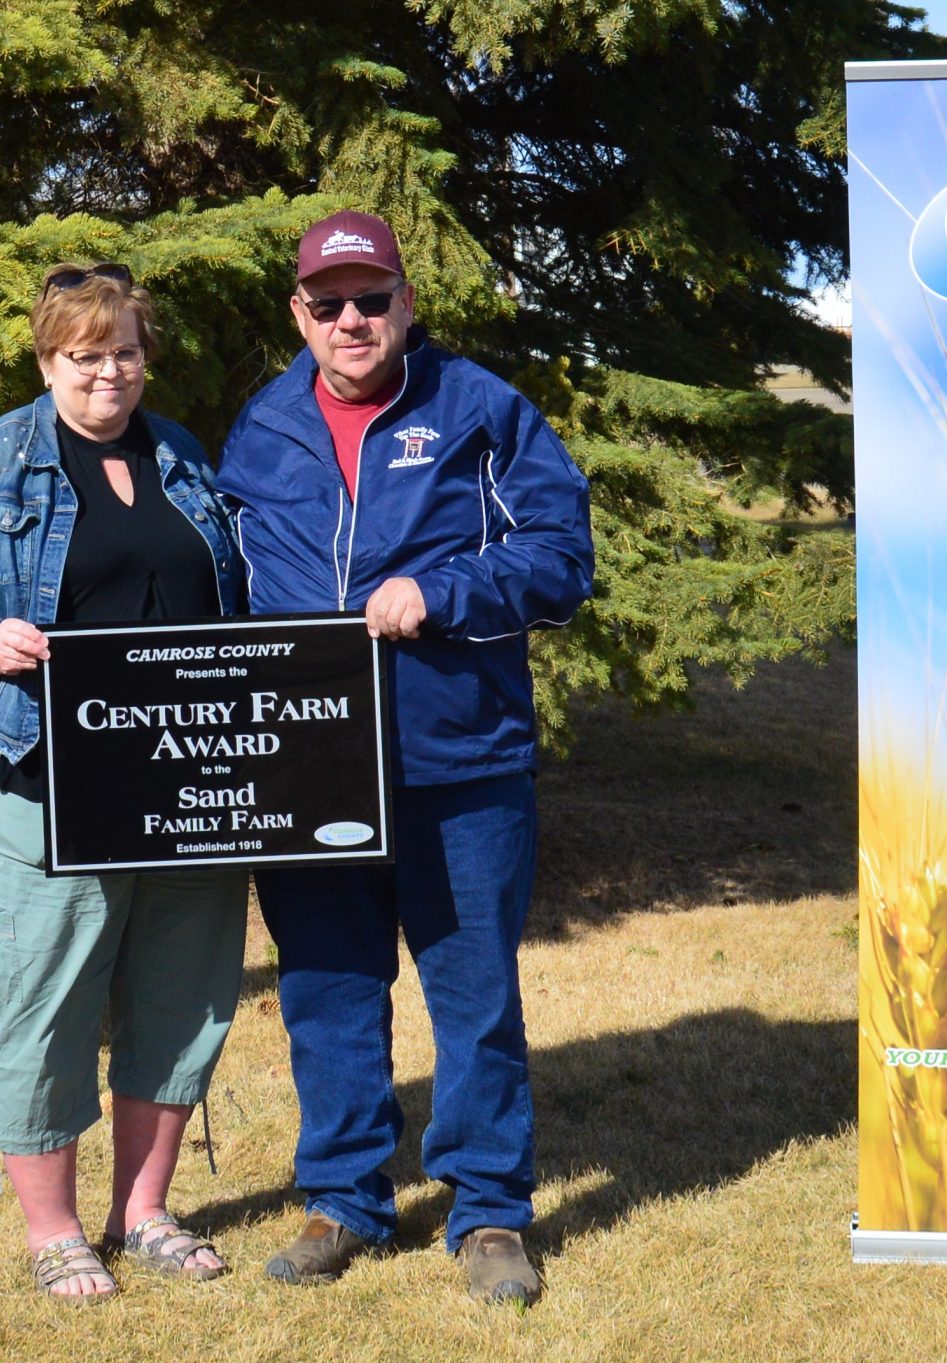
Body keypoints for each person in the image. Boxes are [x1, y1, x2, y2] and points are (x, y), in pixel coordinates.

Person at [215, 211, 594, 1305]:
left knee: (471, 993)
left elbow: (561, 557)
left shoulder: (478, 408)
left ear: (405, 303)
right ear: (298, 313)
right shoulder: (262, 427)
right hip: (307, 770)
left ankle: (486, 1213)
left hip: (458, 761)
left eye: (369, 299)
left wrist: (444, 592)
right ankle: (345, 1200)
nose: (350, 320)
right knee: (328, 989)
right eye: (327, 303)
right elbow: (226, 590)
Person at [0, 264, 250, 1303]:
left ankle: (143, 1212)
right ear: (49, 360)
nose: (108, 374)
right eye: (84, 356)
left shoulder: (178, 451)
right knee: (44, 990)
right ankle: (52, 1228)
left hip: (185, 777)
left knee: (185, 985)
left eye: (125, 351)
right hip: (33, 768)